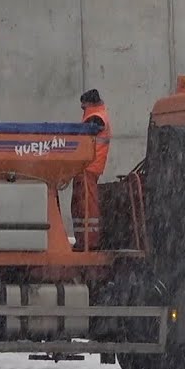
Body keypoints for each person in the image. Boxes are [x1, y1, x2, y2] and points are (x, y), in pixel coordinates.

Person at [71, 89, 111, 251]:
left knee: (86, 206)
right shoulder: (97, 116)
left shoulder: (96, 117)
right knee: (81, 205)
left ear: (89, 103)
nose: (82, 108)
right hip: (87, 168)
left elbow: (83, 135)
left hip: (88, 167)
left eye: (83, 106)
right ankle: (84, 240)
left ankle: (90, 242)